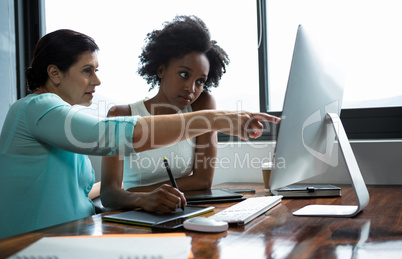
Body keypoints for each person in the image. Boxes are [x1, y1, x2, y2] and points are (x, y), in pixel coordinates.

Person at [0, 29, 279, 239]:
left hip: (77, 237)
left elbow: (87, 191)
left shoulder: (56, 117)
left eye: (96, 71)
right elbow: (111, 135)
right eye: (87, 71)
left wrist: (136, 197)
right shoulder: (36, 107)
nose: (97, 80)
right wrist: (216, 119)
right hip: (34, 247)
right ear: (55, 73)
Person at [101, 15, 229, 210]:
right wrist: (145, 198)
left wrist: (145, 192)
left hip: (181, 212)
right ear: (161, 70)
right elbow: (109, 194)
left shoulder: (201, 105)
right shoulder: (121, 115)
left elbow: (203, 180)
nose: (191, 88)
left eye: (200, 81)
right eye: (184, 74)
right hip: (136, 217)